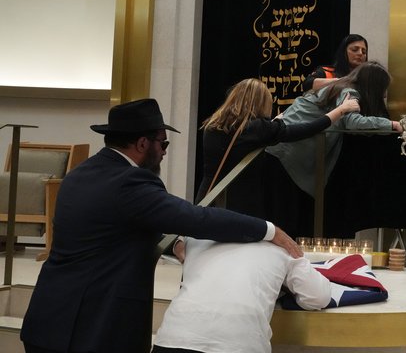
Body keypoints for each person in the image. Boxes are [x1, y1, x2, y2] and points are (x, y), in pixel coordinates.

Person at [20, 98, 301, 353]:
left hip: (48, 319)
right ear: (143, 144)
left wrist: (174, 243)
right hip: (93, 326)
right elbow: (195, 218)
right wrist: (269, 229)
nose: (165, 152)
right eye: (163, 143)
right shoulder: (130, 181)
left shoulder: (81, 174)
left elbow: (115, 223)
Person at [266, 61, 406, 237]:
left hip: (280, 150)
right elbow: (353, 123)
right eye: (383, 88)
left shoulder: (339, 87)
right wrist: (393, 124)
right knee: (284, 220)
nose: (384, 95)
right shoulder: (349, 92)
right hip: (286, 153)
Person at [195, 78, 360, 217]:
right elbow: (306, 129)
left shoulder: (213, 124)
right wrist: (340, 110)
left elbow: (244, 139)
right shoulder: (258, 128)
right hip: (240, 203)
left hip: (209, 196)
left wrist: (272, 125)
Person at [152, 238, 331, 353]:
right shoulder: (281, 247)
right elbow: (318, 297)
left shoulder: (195, 240)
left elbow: (174, 242)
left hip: (173, 339)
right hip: (238, 345)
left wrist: (178, 243)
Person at [301, 34, 368, 91]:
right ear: (343, 52)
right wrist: (342, 81)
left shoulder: (367, 78)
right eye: (354, 50)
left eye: (364, 52)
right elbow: (307, 85)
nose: (360, 53)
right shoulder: (327, 72)